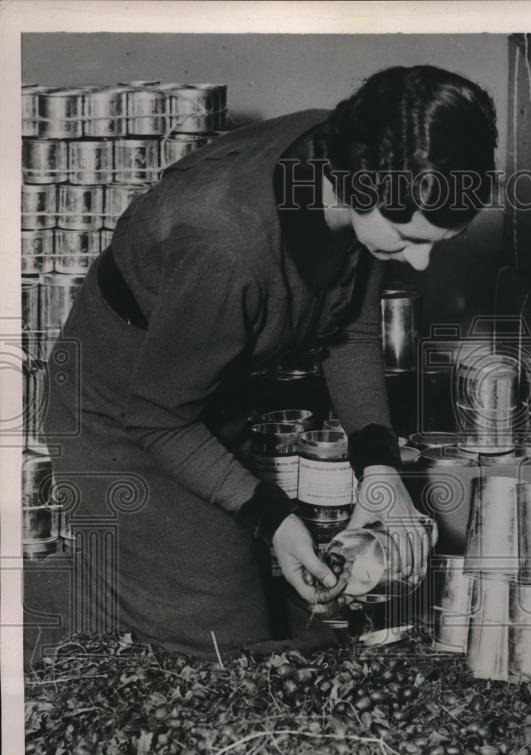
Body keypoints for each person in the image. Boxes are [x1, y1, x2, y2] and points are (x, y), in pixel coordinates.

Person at [42, 64, 498, 659]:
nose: (417, 266)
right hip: (118, 409)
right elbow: (158, 416)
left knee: (273, 608)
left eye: (437, 242)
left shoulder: (353, 155)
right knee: (216, 644)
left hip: (205, 388)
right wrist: (276, 518)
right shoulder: (225, 246)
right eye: (408, 238)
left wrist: (379, 469)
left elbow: (349, 325)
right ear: (358, 185)